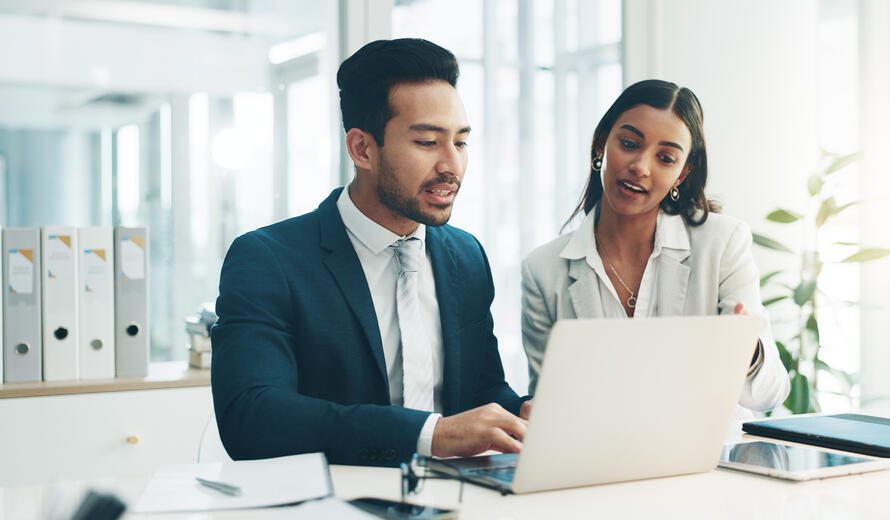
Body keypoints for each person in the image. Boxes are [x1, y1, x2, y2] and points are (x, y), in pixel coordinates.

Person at [211, 38, 531, 468]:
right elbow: (252, 419)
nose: (451, 165)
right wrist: (429, 435)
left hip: (457, 500)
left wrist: (523, 413)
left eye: (460, 142)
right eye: (427, 142)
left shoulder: (465, 256)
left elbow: (482, 391)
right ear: (362, 148)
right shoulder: (268, 260)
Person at [521, 79, 789, 416]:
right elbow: (548, 404)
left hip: (711, 456)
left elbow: (770, 394)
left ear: (682, 174)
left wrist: (747, 352)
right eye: (630, 143)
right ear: (601, 144)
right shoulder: (542, 270)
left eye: (665, 158)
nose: (641, 167)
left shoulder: (722, 243)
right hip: (601, 460)